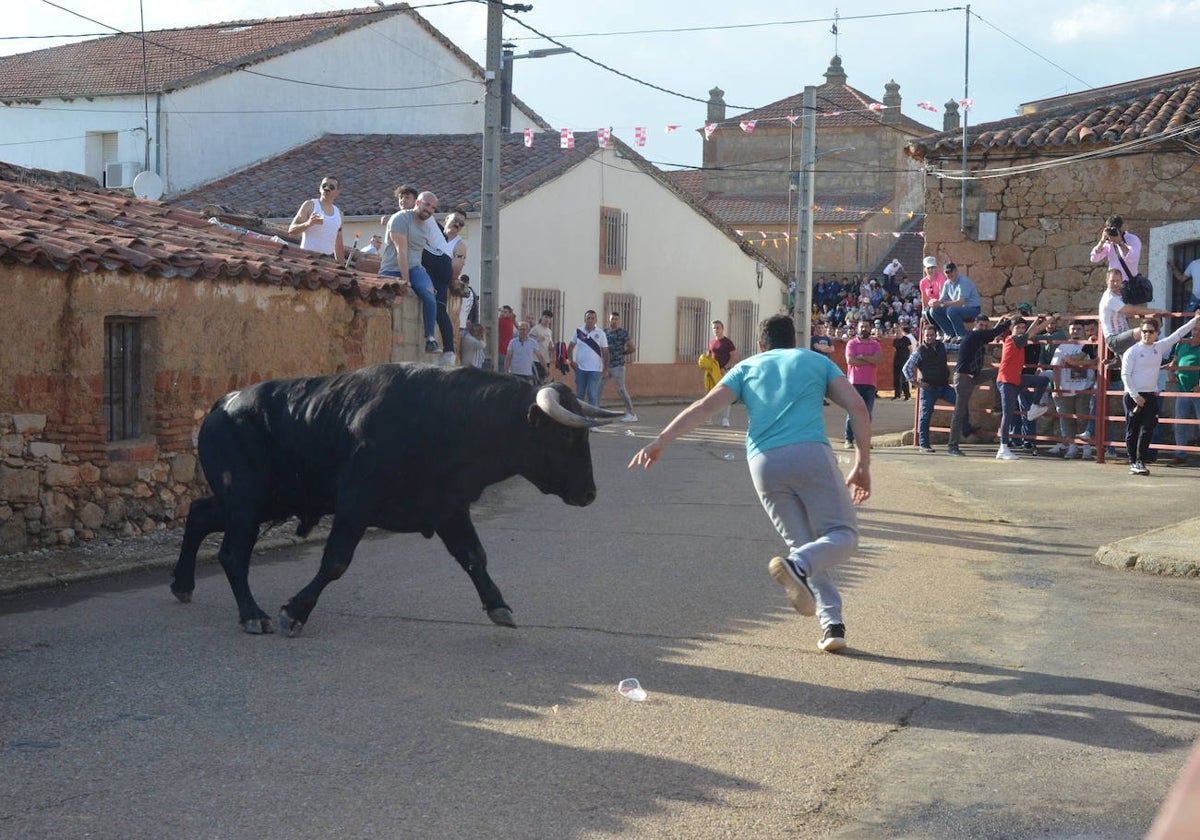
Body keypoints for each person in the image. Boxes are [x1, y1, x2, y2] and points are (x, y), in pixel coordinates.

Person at [628, 314, 871, 653]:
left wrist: (661, 440)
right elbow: (858, 406)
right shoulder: (814, 360)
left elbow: (704, 406)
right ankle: (799, 570)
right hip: (810, 452)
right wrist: (862, 463)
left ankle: (832, 623)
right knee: (843, 537)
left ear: (760, 345)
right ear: (795, 340)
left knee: (802, 545)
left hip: (763, 462)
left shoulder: (747, 367)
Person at [1122, 313, 1200, 475]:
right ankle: (1132, 462)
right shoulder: (1132, 351)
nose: (1147, 334)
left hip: (1150, 395)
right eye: (1144, 331)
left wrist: (1195, 320)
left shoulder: (1159, 347)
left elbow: (1178, 334)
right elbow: (1126, 375)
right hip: (1133, 395)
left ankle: (1140, 461)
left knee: (1147, 429)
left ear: (1157, 333)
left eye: (1151, 331)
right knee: (1132, 430)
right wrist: (1135, 395)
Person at [379, 188, 440, 353]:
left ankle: (430, 339)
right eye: (427, 205)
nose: (429, 210)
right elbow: (402, 251)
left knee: (429, 295)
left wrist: (423, 278)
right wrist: (406, 282)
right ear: (417, 203)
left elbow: (421, 252)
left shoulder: (427, 227)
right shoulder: (400, 219)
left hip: (415, 268)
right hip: (392, 268)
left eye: (433, 208)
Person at [947, 314, 1009, 457]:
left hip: (972, 376)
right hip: (963, 379)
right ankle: (952, 445)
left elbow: (990, 334)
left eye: (985, 326)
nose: (983, 328)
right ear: (975, 324)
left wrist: (1001, 322)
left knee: (997, 372)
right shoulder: (973, 336)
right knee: (959, 412)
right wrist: (1008, 323)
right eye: (981, 325)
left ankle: (998, 406)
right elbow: (992, 334)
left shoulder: (978, 336)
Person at [995, 315, 1052, 460]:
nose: (1021, 330)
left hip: (1016, 379)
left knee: (1042, 380)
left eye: (1022, 327)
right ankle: (1003, 447)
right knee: (1008, 414)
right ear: (1011, 329)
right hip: (1006, 381)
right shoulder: (1014, 340)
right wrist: (1052, 319)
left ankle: (1034, 407)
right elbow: (1035, 331)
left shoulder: (1018, 339)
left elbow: (1030, 332)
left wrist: (1036, 320)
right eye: (1017, 327)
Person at [903, 323, 956, 453]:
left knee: (960, 402)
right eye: (928, 335)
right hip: (929, 389)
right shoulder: (919, 352)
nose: (930, 337)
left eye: (932, 335)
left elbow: (958, 348)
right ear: (924, 336)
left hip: (943, 386)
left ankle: (966, 429)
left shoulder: (942, 346)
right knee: (925, 416)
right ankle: (924, 444)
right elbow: (906, 368)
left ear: (935, 335)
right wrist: (916, 383)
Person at [1048, 320, 1095, 459]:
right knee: (1068, 419)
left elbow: (1097, 362)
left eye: (1078, 329)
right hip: (1066, 387)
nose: (1075, 331)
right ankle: (1072, 447)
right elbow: (1056, 368)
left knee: (1083, 418)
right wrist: (1056, 388)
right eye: (1073, 329)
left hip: (1084, 387)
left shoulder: (1090, 345)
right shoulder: (1062, 347)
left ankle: (1086, 448)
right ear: (1069, 331)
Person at [1098, 267, 1164, 357]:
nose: (1115, 283)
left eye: (1118, 280)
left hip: (1123, 337)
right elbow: (1132, 310)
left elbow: (1128, 313)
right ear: (1106, 282)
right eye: (1112, 281)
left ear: (1122, 281)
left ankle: (1120, 360)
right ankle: (1155, 356)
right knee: (1146, 330)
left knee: (1131, 368)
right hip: (1114, 339)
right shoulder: (1110, 298)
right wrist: (1155, 311)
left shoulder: (1118, 296)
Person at [288, 176, 346, 264]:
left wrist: (342, 268)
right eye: (324, 185)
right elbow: (291, 231)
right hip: (307, 258)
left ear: (337, 192)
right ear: (320, 188)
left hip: (327, 261)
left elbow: (338, 245)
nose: (327, 188)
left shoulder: (339, 214)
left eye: (331, 187)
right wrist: (308, 224)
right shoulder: (310, 205)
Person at [843, 320, 882, 449]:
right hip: (854, 383)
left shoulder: (875, 344)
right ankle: (849, 439)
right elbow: (850, 361)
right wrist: (869, 360)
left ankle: (864, 440)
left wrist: (861, 356)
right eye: (861, 327)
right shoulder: (852, 343)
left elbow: (878, 360)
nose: (864, 329)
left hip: (870, 384)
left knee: (867, 414)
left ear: (870, 328)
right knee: (853, 412)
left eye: (866, 327)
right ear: (857, 329)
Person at [927, 262, 982, 341]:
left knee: (951, 310)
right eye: (947, 272)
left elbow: (960, 302)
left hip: (973, 309)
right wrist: (933, 302)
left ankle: (961, 335)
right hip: (959, 309)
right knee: (933, 311)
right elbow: (941, 300)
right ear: (944, 273)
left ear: (956, 271)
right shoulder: (947, 283)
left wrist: (941, 304)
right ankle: (950, 334)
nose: (949, 274)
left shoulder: (964, 281)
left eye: (951, 271)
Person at [1169, 327, 1200, 466]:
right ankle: (1180, 454)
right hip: (1182, 389)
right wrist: (1171, 370)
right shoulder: (1182, 343)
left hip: (1198, 392)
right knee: (1180, 424)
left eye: (1199, 330)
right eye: (1194, 330)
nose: (1196, 333)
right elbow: (1175, 360)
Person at [602, 311, 638, 422]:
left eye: (616, 319)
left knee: (621, 390)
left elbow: (632, 347)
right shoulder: (604, 332)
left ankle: (632, 414)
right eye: (612, 319)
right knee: (597, 388)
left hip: (618, 366)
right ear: (609, 320)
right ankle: (593, 412)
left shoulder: (623, 333)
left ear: (619, 320)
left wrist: (623, 354)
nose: (614, 321)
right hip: (606, 366)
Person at [568, 309, 608, 407]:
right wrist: (571, 361)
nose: (590, 320)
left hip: (595, 370)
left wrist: (606, 368)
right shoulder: (578, 331)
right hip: (580, 369)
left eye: (592, 318)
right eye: (588, 318)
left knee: (592, 395)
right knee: (579, 396)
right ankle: (579, 417)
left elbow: (606, 352)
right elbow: (570, 348)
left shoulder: (601, 333)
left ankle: (593, 419)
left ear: (596, 320)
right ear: (585, 319)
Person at [707, 320, 737, 426]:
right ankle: (708, 418)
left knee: (725, 396)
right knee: (710, 395)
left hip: (724, 372)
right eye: (714, 328)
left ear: (722, 329)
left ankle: (725, 419)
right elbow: (709, 356)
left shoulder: (727, 342)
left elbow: (733, 356)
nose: (716, 330)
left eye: (718, 327)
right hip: (712, 373)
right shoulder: (711, 342)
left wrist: (725, 368)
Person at [918, 256, 945, 329]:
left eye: (932, 267)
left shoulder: (940, 277)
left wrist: (937, 302)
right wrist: (923, 311)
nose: (930, 270)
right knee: (926, 312)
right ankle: (936, 330)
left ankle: (942, 329)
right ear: (925, 269)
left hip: (941, 303)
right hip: (930, 306)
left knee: (933, 310)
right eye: (928, 268)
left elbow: (941, 293)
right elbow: (924, 298)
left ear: (935, 268)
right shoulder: (922, 282)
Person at [890, 323, 915, 401]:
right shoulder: (895, 340)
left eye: (899, 332)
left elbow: (910, 349)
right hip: (897, 360)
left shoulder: (906, 339)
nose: (897, 333)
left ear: (901, 332)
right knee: (897, 378)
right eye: (896, 332)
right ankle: (897, 395)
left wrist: (910, 359)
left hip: (905, 360)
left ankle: (907, 396)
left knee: (904, 378)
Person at [529, 310, 555, 384]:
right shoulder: (535, 329)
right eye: (545, 317)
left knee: (543, 381)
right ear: (542, 317)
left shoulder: (549, 331)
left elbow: (549, 346)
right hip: (536, 360)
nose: (547, 319)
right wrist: (537, 339)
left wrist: (554, 347)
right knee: (536, 381)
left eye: (549, 318)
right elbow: (529, 341)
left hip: (546, 360)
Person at [497, 305, 516, 372]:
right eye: (501, 312)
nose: (502, 313)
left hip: (500, 352)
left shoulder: (501, 321)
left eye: (505, 312)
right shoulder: (510, 321)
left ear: (509, 314)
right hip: (507, 352)